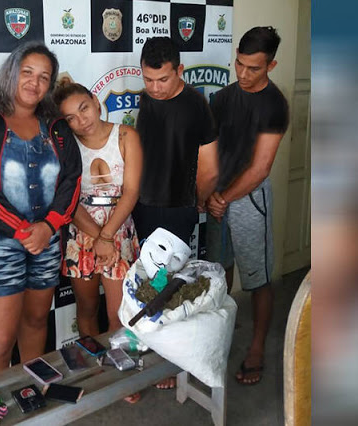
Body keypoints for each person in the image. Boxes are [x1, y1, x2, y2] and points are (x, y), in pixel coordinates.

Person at [0, 42, 81, 378]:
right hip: (0, 245)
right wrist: (23, 230)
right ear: (11, 73)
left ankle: (32, 392)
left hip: (47, 242)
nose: (34, 82)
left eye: (43, 77)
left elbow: (72, 179)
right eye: (27, 72)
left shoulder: (56, 126)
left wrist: (48, 226)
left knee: (37, 321)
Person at [205, 26, 289, 385]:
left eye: (253, 68)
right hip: (217, 197)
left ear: (271, 65)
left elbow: (260, 168)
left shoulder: (275, 104)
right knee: (218, 272)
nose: (242, 73)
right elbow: (209, 152)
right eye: (239, 63)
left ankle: (256, 348)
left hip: (249, 199)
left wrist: (224, 198)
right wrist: (209, 194)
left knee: (258, 278)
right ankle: (219, 338)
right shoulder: (223, 98)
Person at [134, 36, 219, 389]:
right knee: (145, 284)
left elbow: (210, 169)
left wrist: (197, 201)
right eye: (148, 79)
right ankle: (149, 354)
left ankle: (168, 364)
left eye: (163, 79)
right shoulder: (146, 99)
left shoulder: (197, 105)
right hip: (141, 207)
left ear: (179, 70)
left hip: (177, 210)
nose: (154, 87)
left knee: (168, 287)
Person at [53, 81, 142, 337]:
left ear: (95, 101)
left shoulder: (126, 136)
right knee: (87, 308)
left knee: (119, 314)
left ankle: (118, 362)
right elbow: (68, 199)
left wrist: (107, 237)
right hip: (81, 233)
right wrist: (98, 237)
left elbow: (131, 192)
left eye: (84, 108)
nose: (82, 120)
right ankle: (92, 360)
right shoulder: (66, 146)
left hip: (118, 230)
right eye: (71, 118)